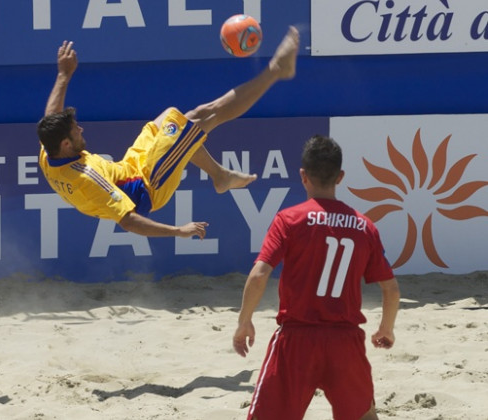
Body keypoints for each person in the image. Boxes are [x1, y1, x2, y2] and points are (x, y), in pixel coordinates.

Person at [37, 27, 300, 239]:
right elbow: (129, 221)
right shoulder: (88, 179)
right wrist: (179, 231)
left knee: (171, 118)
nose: (81, 129)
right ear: (66, 144)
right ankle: (277, 71)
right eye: (76, 131)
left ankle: (220, 176)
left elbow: (51, 117)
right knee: (202, 115)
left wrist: (64, 74)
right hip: (149, 185)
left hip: (130, 167)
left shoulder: (49, 152)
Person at [232, 135, 401, 420]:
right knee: (364, 416)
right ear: (341, 176)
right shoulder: (364, 226)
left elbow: (260, 275)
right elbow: (392, 289)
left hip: (297, 338)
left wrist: (244, 320)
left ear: (302, 175)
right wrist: (386, 328)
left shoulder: (289, 219)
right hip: (345, 340)